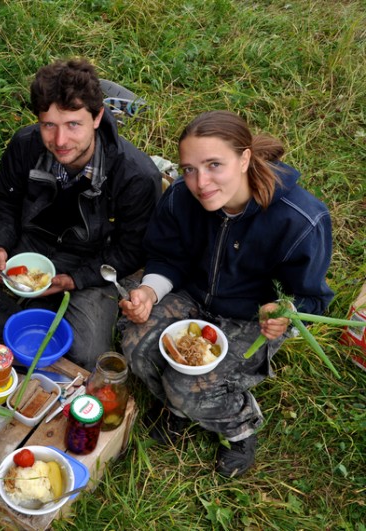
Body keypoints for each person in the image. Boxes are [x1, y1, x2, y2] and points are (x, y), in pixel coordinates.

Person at [119, 110, 334, 477]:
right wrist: (150, 293)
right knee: (134, 345)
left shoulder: (300, 220)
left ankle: (239, 424)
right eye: (189, 168)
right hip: (193, 295)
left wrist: (284, 313)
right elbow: (167, 257)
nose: (200, 183)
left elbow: (312, 299)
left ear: (245, 158)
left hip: (250, 318)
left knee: (188, 384)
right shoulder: (181, 199)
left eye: (214, 165)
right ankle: (179, 407)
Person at [0, 58, 162, 369]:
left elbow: (131, 250)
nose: (60, 141)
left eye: (73, 124)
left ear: (97, 117)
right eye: (49, 125)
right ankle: (16, 324)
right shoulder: (25, 145)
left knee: (88, 354)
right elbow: (7, 205)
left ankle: (33, 322)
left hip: (90, 263)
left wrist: (74, 280)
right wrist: (0, 244)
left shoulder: (136, 175)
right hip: (30, 245)